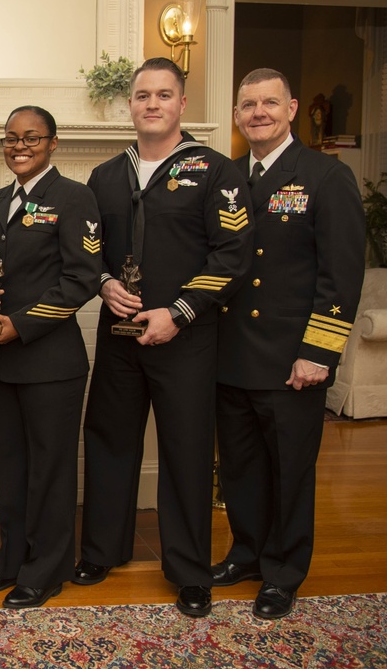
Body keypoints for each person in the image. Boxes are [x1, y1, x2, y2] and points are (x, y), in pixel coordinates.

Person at [74, 57, 254, 617]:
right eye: (142, 95)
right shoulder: (105, 176)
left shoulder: (216, 170)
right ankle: (102, 550)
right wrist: (103, 284)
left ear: (181, 103)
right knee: (108, 439)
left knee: (187, 451)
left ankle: (188, 570)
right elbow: (86, 251)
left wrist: (178, 311)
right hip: (119, 334)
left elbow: (234, 255)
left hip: (186, 336)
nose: (152, 104)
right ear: (129, 105)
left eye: (164, 95)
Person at [213, 68, 365, 619]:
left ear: (292, 108)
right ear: (236, 114)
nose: (259, 113)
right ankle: (247, 553)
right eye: (249, 104)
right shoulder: (227, 176)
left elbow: (342, 276)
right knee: (240, 469)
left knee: (290, 471)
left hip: (290, 358)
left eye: (269, 103)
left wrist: (319, 353)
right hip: (230, 356)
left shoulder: (325, 176)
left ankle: (283, 571)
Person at [0, 106, 101, 607]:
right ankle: (11, 562)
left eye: (31, 138)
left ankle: (45, 571)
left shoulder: (74, 197)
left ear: (53, 143)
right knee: (10, 467)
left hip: (48, 364)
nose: (19, 146)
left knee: (50, 471)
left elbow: (82, 278)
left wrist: (20, 325)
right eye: (10, 139)